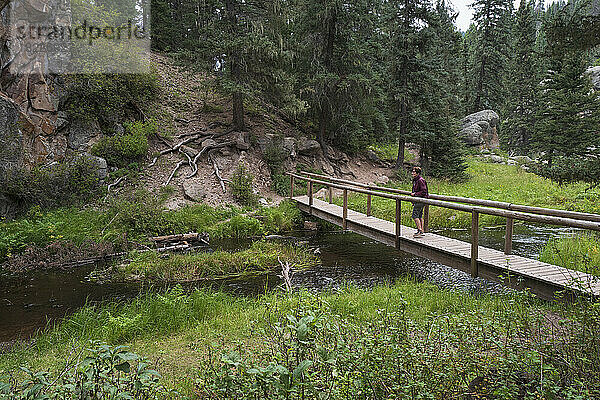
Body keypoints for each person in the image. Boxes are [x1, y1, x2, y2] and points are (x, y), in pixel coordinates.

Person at [410, 166, 428, 238]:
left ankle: (420, 230)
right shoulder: (416, 180)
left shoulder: (420, 180)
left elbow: (424, 191)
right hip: (418, 199)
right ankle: (421, 230)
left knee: (415, 215)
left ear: (418, 173)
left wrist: (415, 194)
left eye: (414, 172)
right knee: (419, 215)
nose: (412, 173)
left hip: (421, 200)